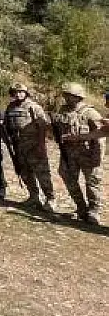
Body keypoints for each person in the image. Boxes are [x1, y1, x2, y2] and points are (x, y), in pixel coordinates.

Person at [55, 83, 106, 224]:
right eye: (66, 95)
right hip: (68, 154)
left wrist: (98, 157)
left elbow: (101, 135)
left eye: (70, 96)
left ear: (78, 97)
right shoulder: (63, 110)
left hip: (88, 155)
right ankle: (81, 207)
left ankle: (94, 211)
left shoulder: (90, 112)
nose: (67, 98)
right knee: (67, 176)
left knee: (92, 183)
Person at [3, 83, 55, 211]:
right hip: (18, 146)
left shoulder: (33, 107)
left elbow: (42, 127)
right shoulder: (11, 107)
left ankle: (50, 199)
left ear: (26, 93)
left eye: (21, 92)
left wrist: (41, 145)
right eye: (16, 92)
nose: (18, 94)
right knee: (25, 173)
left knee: (42, 173)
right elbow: (6, 126)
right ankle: (34, 197)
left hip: (34, 146)